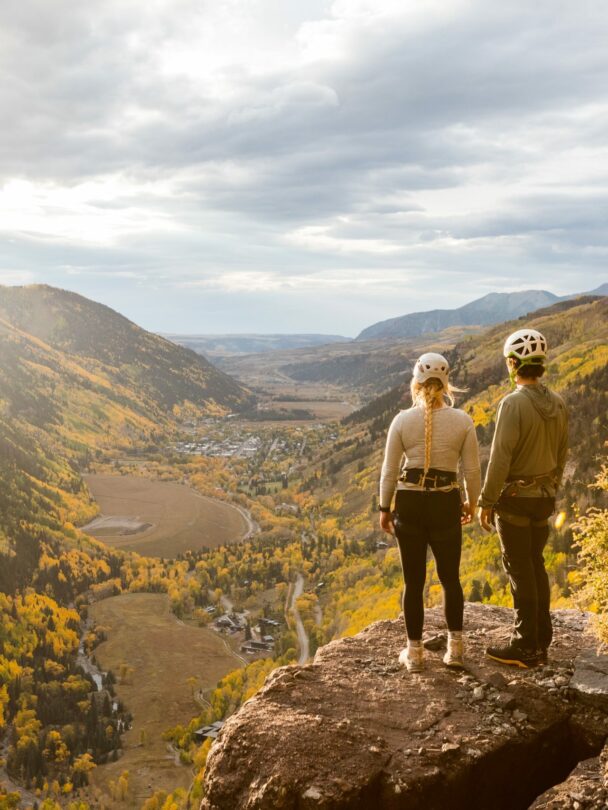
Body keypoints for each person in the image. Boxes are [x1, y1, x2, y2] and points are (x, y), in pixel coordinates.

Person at [379, 352, 481, 672]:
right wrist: (471, 503)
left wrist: (384, 508)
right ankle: (456, 649)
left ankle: (416, 653)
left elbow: (389, 470)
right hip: (445, 503)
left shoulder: (401, 421)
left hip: (409, 504)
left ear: (416, 382)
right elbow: (472, 471)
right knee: (450, 579)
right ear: (446, 382)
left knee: (414, 582)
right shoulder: (462, 421)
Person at [477, 328, 568, 669]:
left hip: (515, 498)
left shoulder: (512, 403)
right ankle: (541, 639)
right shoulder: (557, 402)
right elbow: (562, 452)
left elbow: (501, 458)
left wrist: (486, 502)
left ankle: (524, 644)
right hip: (544, 496)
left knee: (519, 569)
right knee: (536, 565)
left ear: (513, 364)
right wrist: (552, 486)